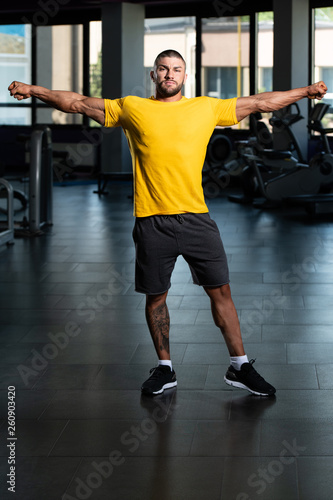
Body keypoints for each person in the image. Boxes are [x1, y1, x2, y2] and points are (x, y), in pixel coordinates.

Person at [8, 49, 327, 397]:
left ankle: (240, 366)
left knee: (221, 291)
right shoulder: (133, 107)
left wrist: (306, 91)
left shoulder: (205, 108)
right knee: (156, 298)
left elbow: (260, 102)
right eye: (163, 69)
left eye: (176, 69)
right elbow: (79, 103)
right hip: (151, 220)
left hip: (196, 219)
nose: (169, 75)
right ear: (154, 74)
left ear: (185, 76)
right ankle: (165, 369)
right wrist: (34, 89)